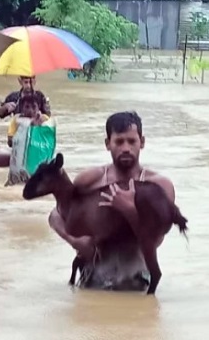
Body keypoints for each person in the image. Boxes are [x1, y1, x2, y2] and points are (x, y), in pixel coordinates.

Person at [47, 111, 176, 288]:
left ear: (142, 142)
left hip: (135, 277)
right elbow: (57, 214)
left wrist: (130, 210)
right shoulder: (89, 180)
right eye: (119, 141)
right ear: (108, 144)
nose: (125, 148)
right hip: (93, 273)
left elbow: (156, 239)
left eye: (132, 141)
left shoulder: (159, 186)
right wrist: (74, 240)